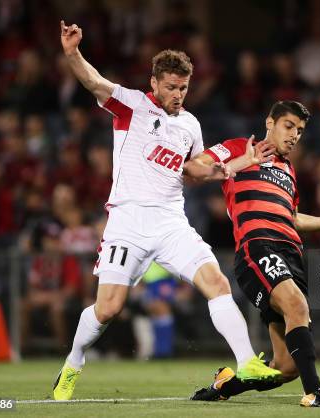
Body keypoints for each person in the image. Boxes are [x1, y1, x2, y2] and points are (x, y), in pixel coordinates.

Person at [53, 20, 280, 401]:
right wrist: (73, 52)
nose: (178, 94)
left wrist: (237, 163)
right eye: (171, 87)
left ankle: (246, 363)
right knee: (108, 309)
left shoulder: (190, 124)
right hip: (127, 220)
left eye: (184, 87)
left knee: (217, 283)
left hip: (171, 221)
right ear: (154, 83)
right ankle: (73, 362)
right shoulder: (131, 105)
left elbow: (193, 172)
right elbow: (94, 82)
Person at [189, 101, 320, 407]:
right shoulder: (239, 147)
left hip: (291, 253)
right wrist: (238, 162)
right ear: (270, 123)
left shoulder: (289, 171)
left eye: (301, 130)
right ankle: (315, 393)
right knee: (297, 304)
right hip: (257, 246)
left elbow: (293, 218)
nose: (295, 135)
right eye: (289, 126)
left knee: (286, 368)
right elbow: (198, 165)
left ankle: (225, 385)